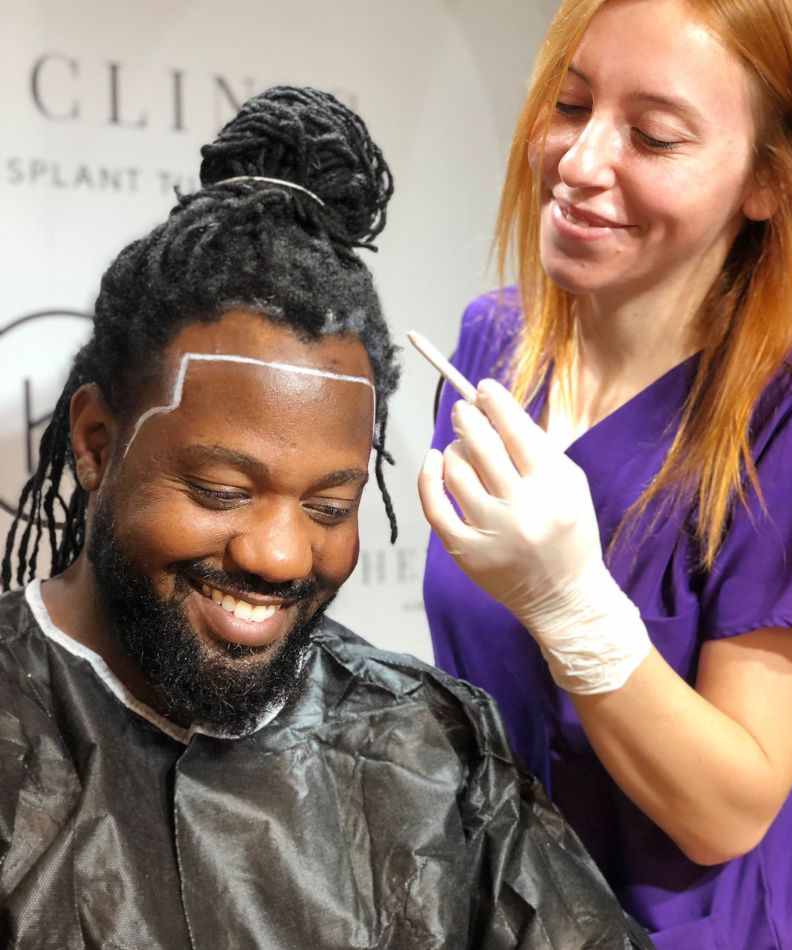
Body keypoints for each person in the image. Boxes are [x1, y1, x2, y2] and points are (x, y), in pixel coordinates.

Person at [0, 86, 650, 949]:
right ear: (94, 441)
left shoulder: (431, 750)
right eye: (223, 492)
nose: (277, 555)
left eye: (329, 506)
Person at [420, 0, 792, 946]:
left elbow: (728, 812)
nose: (581, 164)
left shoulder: (783, 420)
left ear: (765, 182)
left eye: (654, 136)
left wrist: (571, 604)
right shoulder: (492, 346)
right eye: (572, 104)